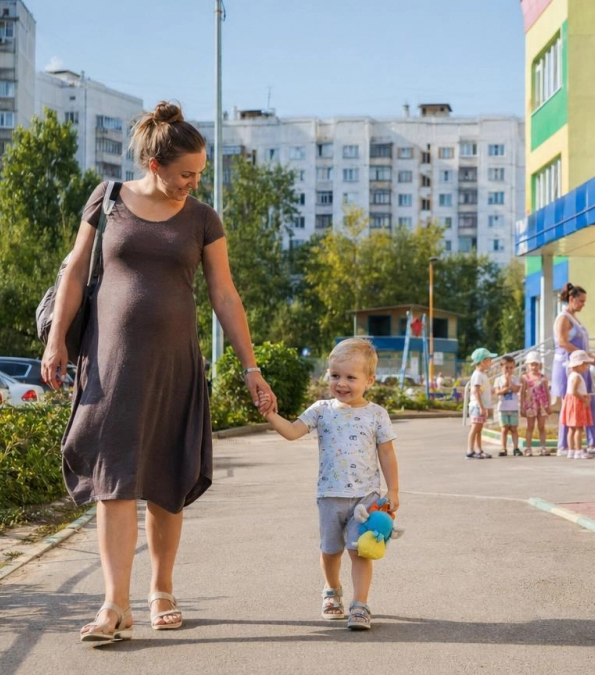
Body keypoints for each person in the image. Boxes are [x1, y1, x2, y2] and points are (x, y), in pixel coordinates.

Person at [42, 101, 276, 643]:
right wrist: (57, 340)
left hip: (175, 364)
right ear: (153, 164)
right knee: (114, 482)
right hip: (109, 364)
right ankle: (114, 604)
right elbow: (76, 270)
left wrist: (250, 367)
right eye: (184, 175)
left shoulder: (202, 218)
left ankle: (161, 588)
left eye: (199, 174)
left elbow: (224, 293)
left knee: (167, 480)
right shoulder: (108, 200)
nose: (192, 184)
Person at [264, 338, 399, 632]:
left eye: (351, 377)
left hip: (366, 497)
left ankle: (360, 605)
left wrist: (394, 491)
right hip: (329, 496)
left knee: (360, 549)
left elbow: (386, 452)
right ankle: (331, 589)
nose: (342, 383)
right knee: (330, 550)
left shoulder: (377, 414)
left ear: (370, 380)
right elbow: (292, 432)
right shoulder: (321, 409)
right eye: (335, 375)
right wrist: (272, 415)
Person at [552, 283, 595, 455]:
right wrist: (584, 356)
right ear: (572, 299)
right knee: (569, 404)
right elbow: (562, 342)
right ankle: (564, 445)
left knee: (590, 400)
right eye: (581, 301)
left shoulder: (574, 318)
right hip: (568, 367)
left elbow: (580, 344)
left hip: (580, 366)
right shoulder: (563, 318)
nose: (583, 304)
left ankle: (593, 442)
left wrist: (589, 357)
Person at [560, 350, 595, 459]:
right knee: (579, 428)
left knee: (572, 429)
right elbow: (574, 391)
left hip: (571, 402)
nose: (586, 367)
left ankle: (571, 450)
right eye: (585, 364)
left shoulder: (572, 375)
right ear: (579, 365)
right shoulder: (576, 376)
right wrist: (584, 400)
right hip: (577, 403)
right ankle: (579, 451)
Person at [466, 348, 497, 459]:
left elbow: (482, 389)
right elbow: (476, 391)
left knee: (479, 429)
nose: (491, 362)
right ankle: (470, 450)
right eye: (489, 360)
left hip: (481, 406)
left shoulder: (482, 374)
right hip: (477, 406)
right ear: (483, 361)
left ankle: (478, 449)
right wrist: (481, 407)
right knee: (474, 428)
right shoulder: (477, 375)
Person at [520, 352, 551, 456]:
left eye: (536, 364)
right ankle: (528, 448)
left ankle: (543, 447)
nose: (534, 367)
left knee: (541, 426)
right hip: (530, 405)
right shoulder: (525, 378)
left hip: (542, 405)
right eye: (532, 364)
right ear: (528, 365)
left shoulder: (543, 378)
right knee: (530, 426)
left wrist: (549, 405)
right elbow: (522, 393)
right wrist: (522, 406)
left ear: (540, 365)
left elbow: (547, 392)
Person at [493, 355, 522, 456]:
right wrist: (506, 385)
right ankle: (503, 448)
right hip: (503, 408)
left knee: (514, 428)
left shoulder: (516, 379)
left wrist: (510, 381)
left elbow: (516, 389)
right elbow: (498, 392)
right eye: (506, 368)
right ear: (501, 367)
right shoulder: (498, 380)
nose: (509, 370)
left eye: (511, 367)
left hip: (513, 408)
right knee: (504, 428)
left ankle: (516, 448)